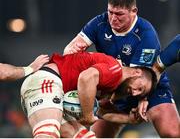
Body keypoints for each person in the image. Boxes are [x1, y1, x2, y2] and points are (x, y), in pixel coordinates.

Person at [63, 0, 180, 137]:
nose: (113, 18)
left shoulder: (146, 34)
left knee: (173, 134)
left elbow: (139, 80)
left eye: (119, 14)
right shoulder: (99, 22)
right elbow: (69, 52)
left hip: (149, 89)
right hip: (115, 90)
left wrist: (142, 98)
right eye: (110, 12)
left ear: (134, 11)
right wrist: (72, 49)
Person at [20, 51, 157, 138]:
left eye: (139, 94)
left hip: (57, 95)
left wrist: (129, 120)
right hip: (47, 81)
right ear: (137, 72)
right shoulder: (115, 69)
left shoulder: (110, 85)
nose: (134, 93)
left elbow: (100, 113)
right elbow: (86, 78)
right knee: (47, 133)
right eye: (140, 88)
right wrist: (87, 115)